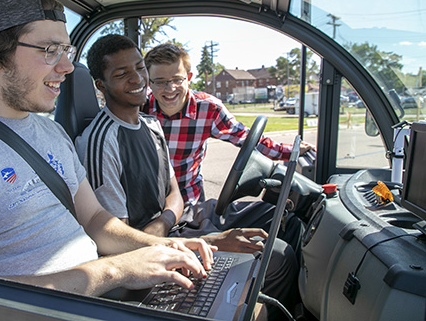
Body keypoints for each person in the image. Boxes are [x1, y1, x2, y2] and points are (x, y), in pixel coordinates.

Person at [0, 0, 217, 297]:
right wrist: (117, 270)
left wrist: (161, 248)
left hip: (105, 295)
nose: (68, 67)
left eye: (66, 50)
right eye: (51, 50)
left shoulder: (51, 133)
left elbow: (96, 220)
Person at [76, 34, 299, 319]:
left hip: (176, 224)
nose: (137, 79)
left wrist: (165, 223)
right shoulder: (101, 140)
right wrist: (210, 242)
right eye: (122, 74)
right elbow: (114, 240)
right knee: (277, 256)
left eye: (139, 69)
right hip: (147, 250)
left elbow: (174, 191)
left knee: (280, 222)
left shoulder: (150, 124)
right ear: (101, 85)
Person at [141, 43, 312, 252]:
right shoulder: (140, 108)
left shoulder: (208, 109)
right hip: (151, 210)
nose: (170, 89)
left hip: (190, 204)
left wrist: (288, 151)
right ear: (149, 82)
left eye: (177, 80)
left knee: (278, 219)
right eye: (160, 82)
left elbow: (245, 136)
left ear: (190, 77)